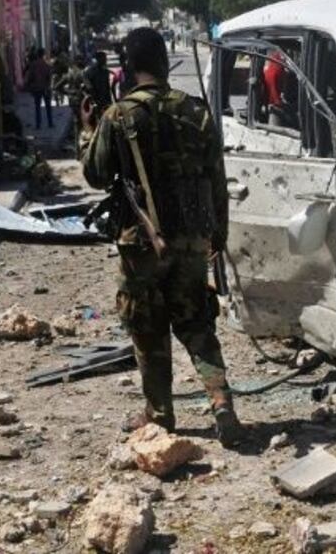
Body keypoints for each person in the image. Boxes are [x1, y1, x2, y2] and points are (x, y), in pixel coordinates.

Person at [81, 27, 244, 446]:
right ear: (163, 62)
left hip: (142, 240)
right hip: (192, 237)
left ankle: (160, 412)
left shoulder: (119, 116)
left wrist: (87, 130)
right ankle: (221, 402)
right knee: (196, 321)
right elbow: (216, 178)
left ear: (129, 67)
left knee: (147, 324)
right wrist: (217, 233)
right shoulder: (197, 112)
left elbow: (96, 175)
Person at [23, 48, 54, 129]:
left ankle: (38, 124)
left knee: (37, 107)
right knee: (48, 106)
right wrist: (48, 86)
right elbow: (49, 77)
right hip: (45, 88)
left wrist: (29, 86)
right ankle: (50, 123)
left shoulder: (33, 65)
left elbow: (30, 77)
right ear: (43, 55)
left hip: (36, 88)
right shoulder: (46, 65)